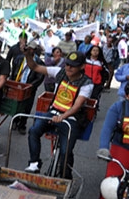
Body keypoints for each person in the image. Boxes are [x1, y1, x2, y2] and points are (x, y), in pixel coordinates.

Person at [23, 49, 93, 179]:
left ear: (82, 66)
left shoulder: (87, 83)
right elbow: (35, 66)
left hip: (71, 119)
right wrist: (28, 55)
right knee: (34, 130)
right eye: (67, 64)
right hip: (53, 112)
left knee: (65, 151)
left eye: (73, 65)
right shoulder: (59, 72)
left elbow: (77, 106)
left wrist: (62, 117)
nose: (69, 68)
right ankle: (34, 163)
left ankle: (66, 178)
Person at [9, 44, 45, 135]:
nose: (29, 51)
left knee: (27, 107)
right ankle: (15, 121)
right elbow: (13, 71)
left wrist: (30, 86)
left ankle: (22, 125)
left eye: (31, 49)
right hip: (18, 86)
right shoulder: (19, 58)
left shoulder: (39, 62)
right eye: (27, 49)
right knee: (16, 105)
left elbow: (39, 77)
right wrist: (13, 82)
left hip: (29, 88)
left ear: (35, 50)